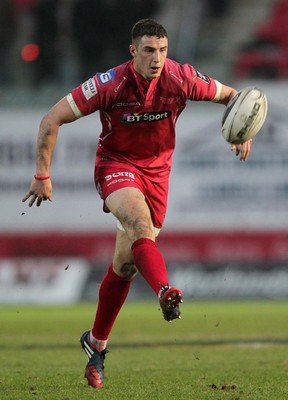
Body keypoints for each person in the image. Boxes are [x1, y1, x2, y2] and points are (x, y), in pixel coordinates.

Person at [22, 18, 253, 389]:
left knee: (126, 265)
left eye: (162, 50)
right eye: (148, 50)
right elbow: (52, 119)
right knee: (139, 227)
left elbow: (234, 96)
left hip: (158, 176)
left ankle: (95, 345)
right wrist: (42, 174)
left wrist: (245, 130)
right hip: (116, 166)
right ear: (133, 52)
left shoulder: (182, 78)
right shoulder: (109, 84)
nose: (157, 58)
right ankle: (165, 291)